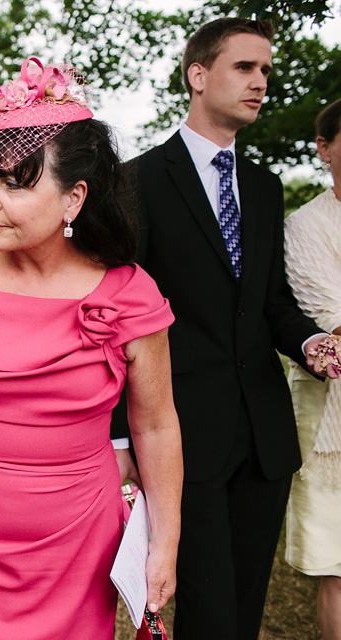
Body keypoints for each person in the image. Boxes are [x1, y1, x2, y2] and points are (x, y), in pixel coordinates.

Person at [0, 58, 183, 639]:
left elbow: (157, 425)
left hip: (77, 545)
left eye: (13, 182)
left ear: (74, 198)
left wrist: (164, 540)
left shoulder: (132, 295)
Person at [110, 18, 341, 640]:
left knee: (243, 608)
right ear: (198, 75)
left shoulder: (264, 188)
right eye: (245, 68)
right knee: (207, 612)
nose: (261, 82)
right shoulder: (137, 182)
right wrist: (120, 439)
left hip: (263, 432)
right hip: (180, 431)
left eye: (267, 70)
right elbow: (115, 315)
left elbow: (272, 303)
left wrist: (310, 341)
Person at [283, 97, 341, 640]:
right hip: (333, 430)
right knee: (340, 570)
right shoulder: (305, 226)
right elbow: (333, 322)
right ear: (324, 149)